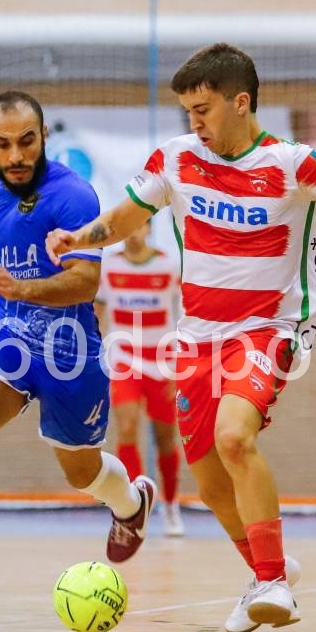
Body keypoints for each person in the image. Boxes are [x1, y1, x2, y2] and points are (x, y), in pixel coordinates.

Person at [47, 43, 316, 632]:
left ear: (241, 102)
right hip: (196, 337)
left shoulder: (295, 164)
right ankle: (267, 570)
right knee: (208, 482)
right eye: (187, 111)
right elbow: (124, 218)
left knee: (234, 437)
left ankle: (272, 583)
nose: (194, 122)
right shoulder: (176, 158)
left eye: (203, 109)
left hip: (268, 329)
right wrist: (80, 238)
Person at [0, 91, 156, 596]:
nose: (15, 155)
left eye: (26, 141)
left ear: (44, 136)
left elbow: (85, 283)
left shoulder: (73, 196)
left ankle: (131, 504)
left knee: (81, 472)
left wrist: (21, 288)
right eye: (2, 145)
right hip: (4, 327)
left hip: (69, 347)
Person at [96, 219, 185, 536]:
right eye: (127, 228)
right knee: (127, 428)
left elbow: (184, 314)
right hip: (125, 360)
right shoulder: (109, 266)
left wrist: (182, 363)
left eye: (139, 227)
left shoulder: (168, 265)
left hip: (162, 361)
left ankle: (171, 505)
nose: (133, 233)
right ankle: (134, 507)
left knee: (165, 439)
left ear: (148, 229)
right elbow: (98, 311)